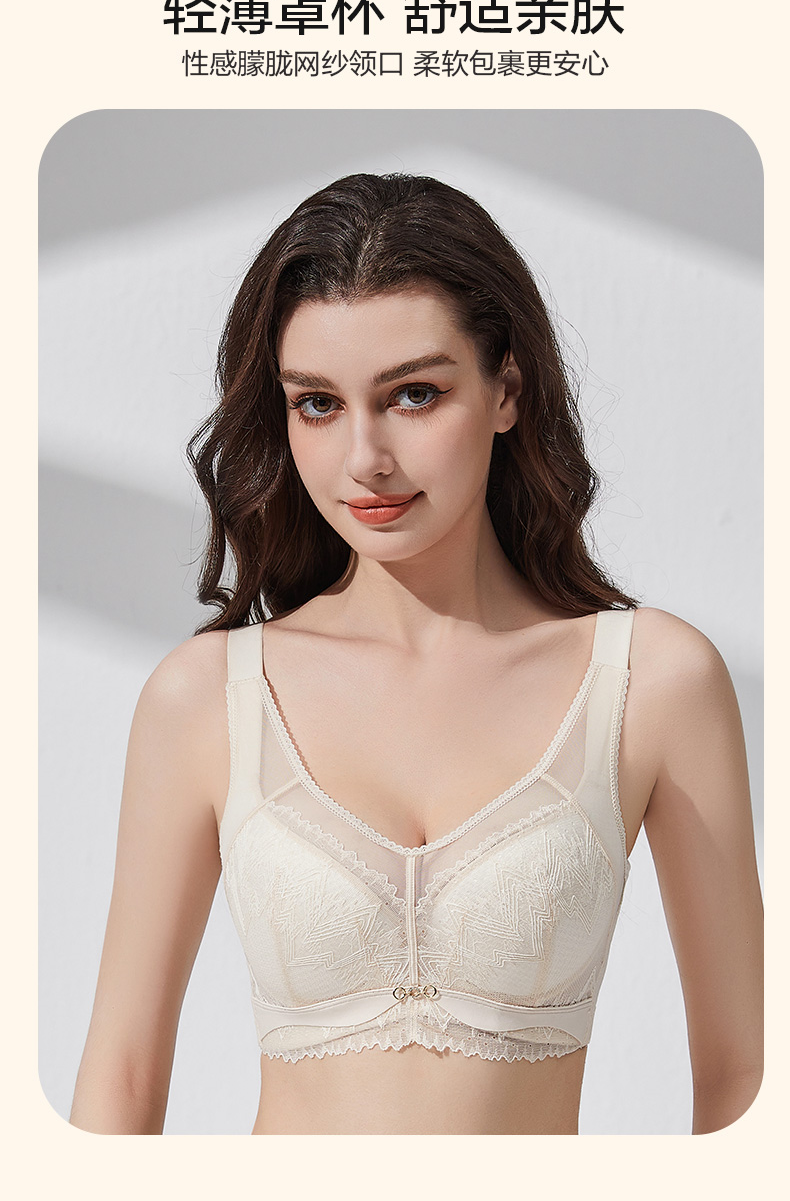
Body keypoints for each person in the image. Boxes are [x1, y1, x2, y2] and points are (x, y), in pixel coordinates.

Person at [69, 173, 763, 1136]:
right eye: (317, 404)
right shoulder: (206, 698)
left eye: (414, 395)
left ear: (506, 389)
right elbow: (122, 1078)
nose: (366, 459)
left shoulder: (654, 682)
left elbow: (743, 1077)